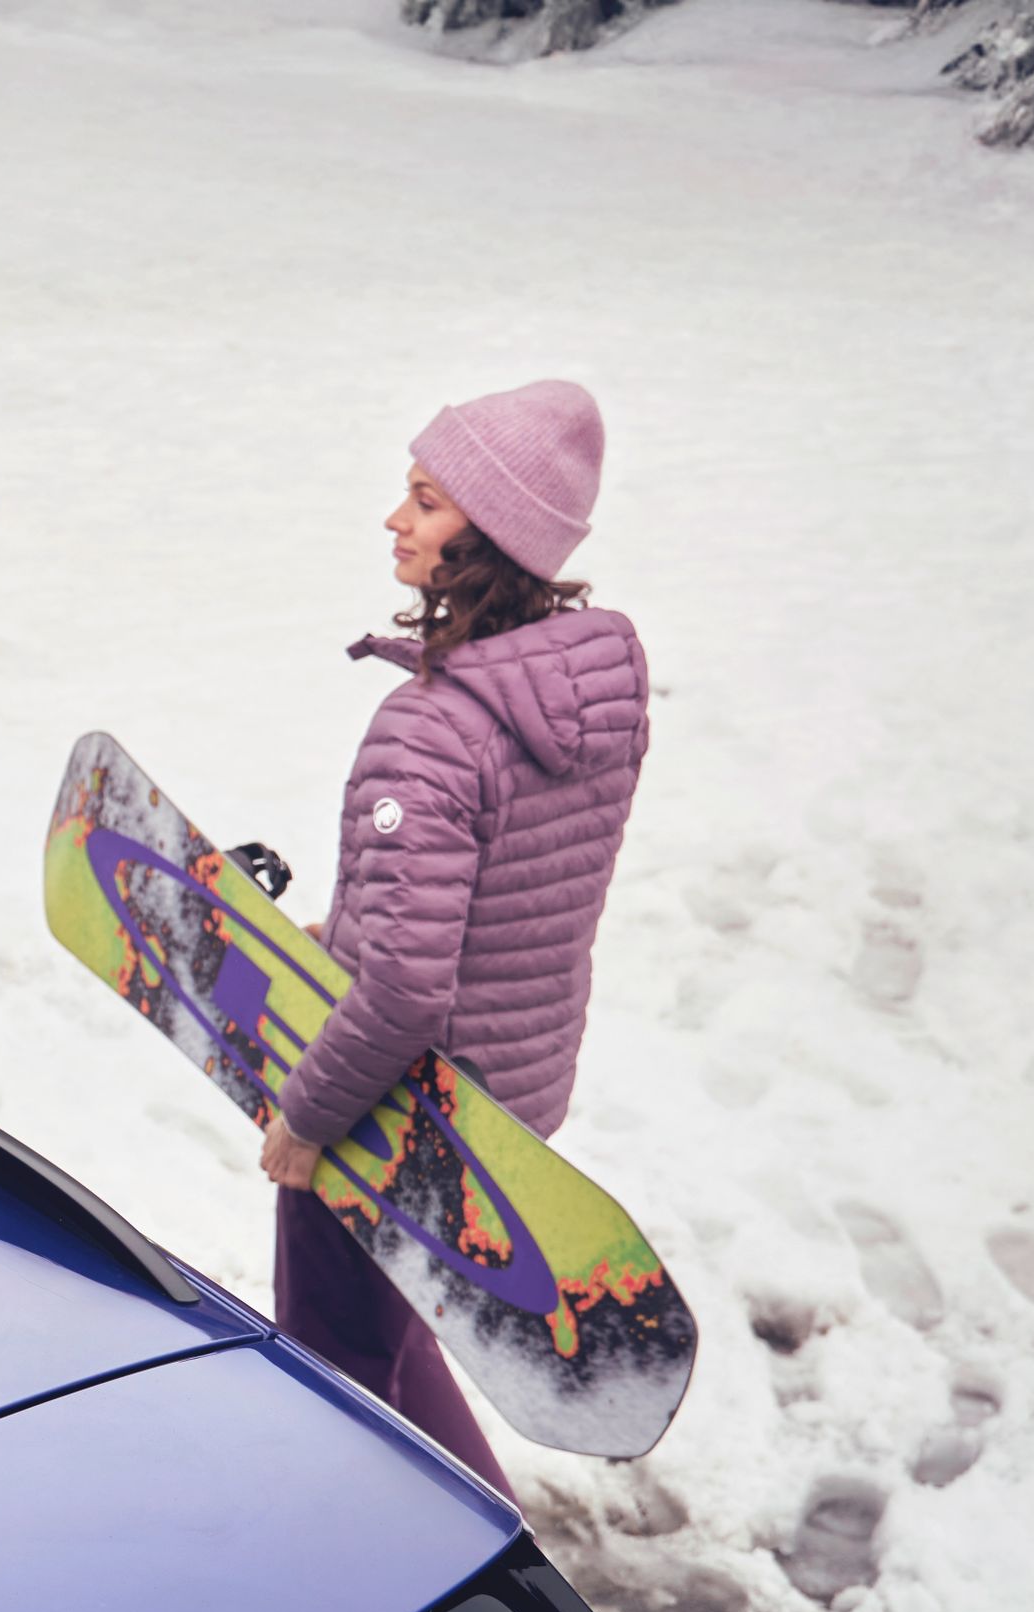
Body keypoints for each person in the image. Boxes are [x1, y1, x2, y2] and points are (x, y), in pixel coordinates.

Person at [256, 379, 647, 1503]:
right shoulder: (589, 694)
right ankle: (489, 1544)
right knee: (394, 1329)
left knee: (333, 1364)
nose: (396, 519)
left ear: (491, 535)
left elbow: (407, 990)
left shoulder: (432, 731)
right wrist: (355, 927)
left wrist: (308, 1118)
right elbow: (509, 893)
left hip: (397, 1115)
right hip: (507, 1095)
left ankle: (406, 1571)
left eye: (426, 501)